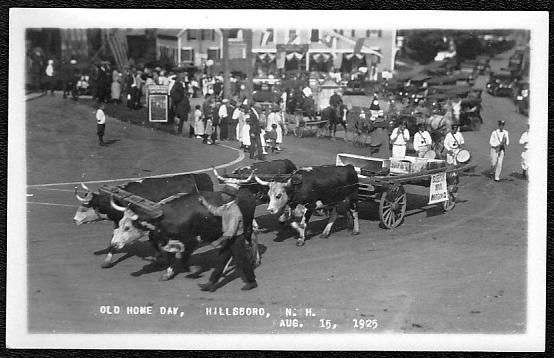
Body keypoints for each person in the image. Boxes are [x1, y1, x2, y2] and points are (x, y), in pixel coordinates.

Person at [197, 185, 258, 292]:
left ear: (230, 197)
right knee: (221, 260)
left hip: (236, 240)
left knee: (242, 261)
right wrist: (205, 203)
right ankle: (211, 283)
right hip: (230, 239)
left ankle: (252, 282)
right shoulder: (226, 207)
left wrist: (218, 241)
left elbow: (231, 232)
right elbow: (216, 211)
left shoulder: (234, 211)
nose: (221, 195)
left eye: (224, 194)